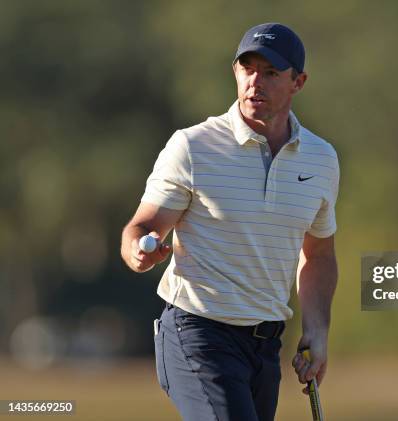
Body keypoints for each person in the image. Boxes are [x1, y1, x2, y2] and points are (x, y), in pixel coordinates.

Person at [120, 22, 339, 421]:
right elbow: (142, 226)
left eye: (271, 73)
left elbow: (319, 253)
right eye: (247, 69)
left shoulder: (321, 160)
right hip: (198, 334)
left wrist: (317, 331)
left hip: (265, 344)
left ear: (298, 81)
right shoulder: (193, 146)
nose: (255, 81)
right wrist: (139, 250)